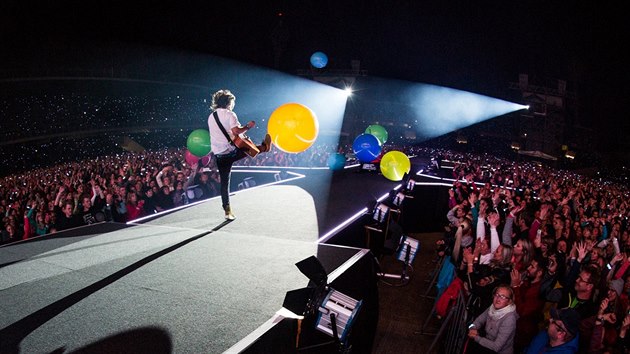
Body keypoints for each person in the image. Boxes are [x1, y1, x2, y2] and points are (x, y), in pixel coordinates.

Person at [207, 89, 271, 220]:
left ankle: (227, 210)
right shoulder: (229, 114)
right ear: (228, 102)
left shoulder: (211, 116)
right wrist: (248, 126)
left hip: (218, 155)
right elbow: (236, 130)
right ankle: (264, 148)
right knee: (248, 149)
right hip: (230, 152)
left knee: (225, 183)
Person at [467, 284, 518, 354]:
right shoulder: (492, 307)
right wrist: (472, 328)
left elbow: (496, 347)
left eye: (503, 297)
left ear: (509, 302)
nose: (498, 299)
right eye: (497, 295)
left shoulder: (509, 319)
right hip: (487, 345)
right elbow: (478, 321)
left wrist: (476, 337)